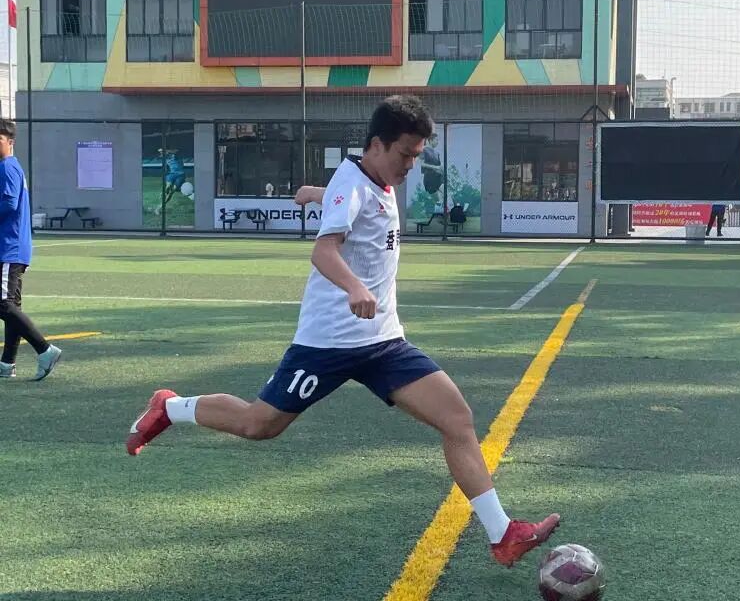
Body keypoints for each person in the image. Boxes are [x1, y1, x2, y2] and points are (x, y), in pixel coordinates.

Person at [126, 95, 560, 567]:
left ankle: (503, 534)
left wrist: (317, 192)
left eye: (417, 156)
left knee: (457, 419)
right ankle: (170, 407)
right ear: (376, 145)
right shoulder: (353, 184)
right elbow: (324, 250)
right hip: (328, 343)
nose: (411, 165)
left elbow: (349, 196)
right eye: (405, 154)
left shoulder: (365, 179)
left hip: (382, 342)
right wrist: (354, 286)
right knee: (259, 424)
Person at [0, 120, 62, 381]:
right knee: (11, 306)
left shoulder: (7, 167)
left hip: (9, 247)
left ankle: (44, 349)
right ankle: (7, 364)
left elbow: (9, 204)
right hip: (13, 246)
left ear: (10, 142)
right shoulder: (10, 166)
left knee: (3, 304)